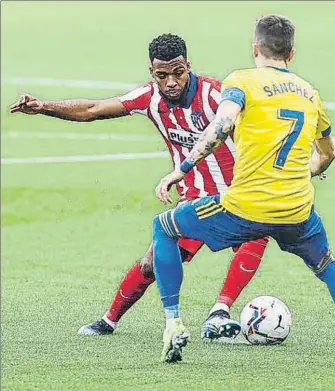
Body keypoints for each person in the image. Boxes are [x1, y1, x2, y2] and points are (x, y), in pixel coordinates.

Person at [152, 15, 335, 365]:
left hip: (244, 208)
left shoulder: (242, 80)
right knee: (327, 265)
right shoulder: (309, 93)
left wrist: (181, 170)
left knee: (164, 227)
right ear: (292, 53)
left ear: (255, 48)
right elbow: (327, 154)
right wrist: (305, 172)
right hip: (296, 211)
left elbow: (220, 126)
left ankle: (173, 323)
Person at [9, 33, 271, 340]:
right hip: (195, 199)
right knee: (151, 263)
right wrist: (44, 107)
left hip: (238, 194)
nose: (171, 82)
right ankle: (109, 320)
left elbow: (267, 126)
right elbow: (93, 110)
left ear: (188, 65)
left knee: (258, 232)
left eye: (178, 72)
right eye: (162, 75)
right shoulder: (150, 98)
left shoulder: (218, 96)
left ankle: (220, 311)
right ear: (152, 73)